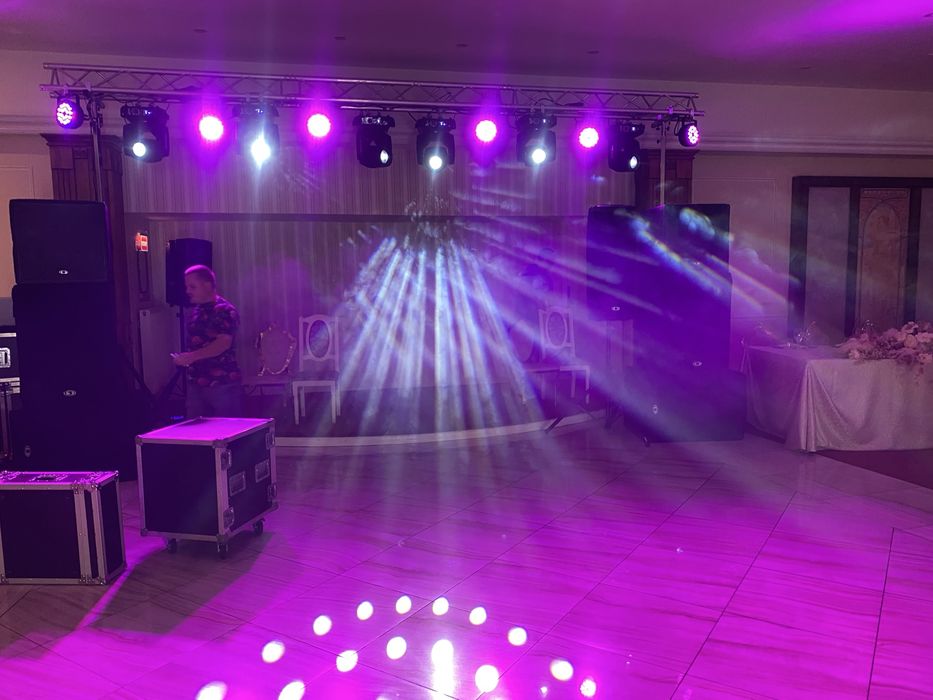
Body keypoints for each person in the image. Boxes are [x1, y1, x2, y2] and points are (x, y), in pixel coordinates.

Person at [172, 265, 243, 417]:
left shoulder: (225, 310)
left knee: (226, 428)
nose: (188, 291)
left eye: (192, 287)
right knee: (196, 429)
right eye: (187, 287)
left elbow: (223, 343)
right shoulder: (196, 311)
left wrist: (191, 357)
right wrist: (185, 358)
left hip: (222, 383)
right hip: (196, 382)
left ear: (208, 285)